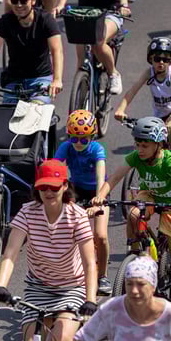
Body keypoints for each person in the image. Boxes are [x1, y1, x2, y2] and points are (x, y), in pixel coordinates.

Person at [0, 159, 98, 341]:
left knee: (64, 340)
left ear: (65, 186)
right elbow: (11, 252)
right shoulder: (28, 212)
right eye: (43, 187)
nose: (48, 192)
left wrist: (90, 299)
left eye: (54, 186)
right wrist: (1, 284)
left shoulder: (76, 216)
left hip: (71, 286)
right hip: (38, 286)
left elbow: (90, 263)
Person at [90, 116, 171, 307]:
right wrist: (100, 197)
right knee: (134, 214)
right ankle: (135, 249)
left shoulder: (168, 160)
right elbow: (114, 178)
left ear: (159, 144)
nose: (140, 150)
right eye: (137, 145)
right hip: (150, 194)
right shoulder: (136, 157)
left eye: (145, 146)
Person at [55, 110, 112, 294]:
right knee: (65, 230)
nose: (78, 144)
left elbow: (100, 175)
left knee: (100, 236)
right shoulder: (66, 147)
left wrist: (97, 202)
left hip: (97, 191)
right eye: (74, 139)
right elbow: (55, 169)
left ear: (92, 137)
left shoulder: (97, 149)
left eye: (84, 139)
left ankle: (102, 276)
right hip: (76, 189)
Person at [115, 38, 171, 151]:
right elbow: (132, 91)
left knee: (170, 130)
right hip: (159, 113)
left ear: (170, 60)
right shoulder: (149, 73)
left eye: (166, 59)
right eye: (157, 59)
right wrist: (121, 109)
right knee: (153, 142)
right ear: (151, 59)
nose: (161, 62)